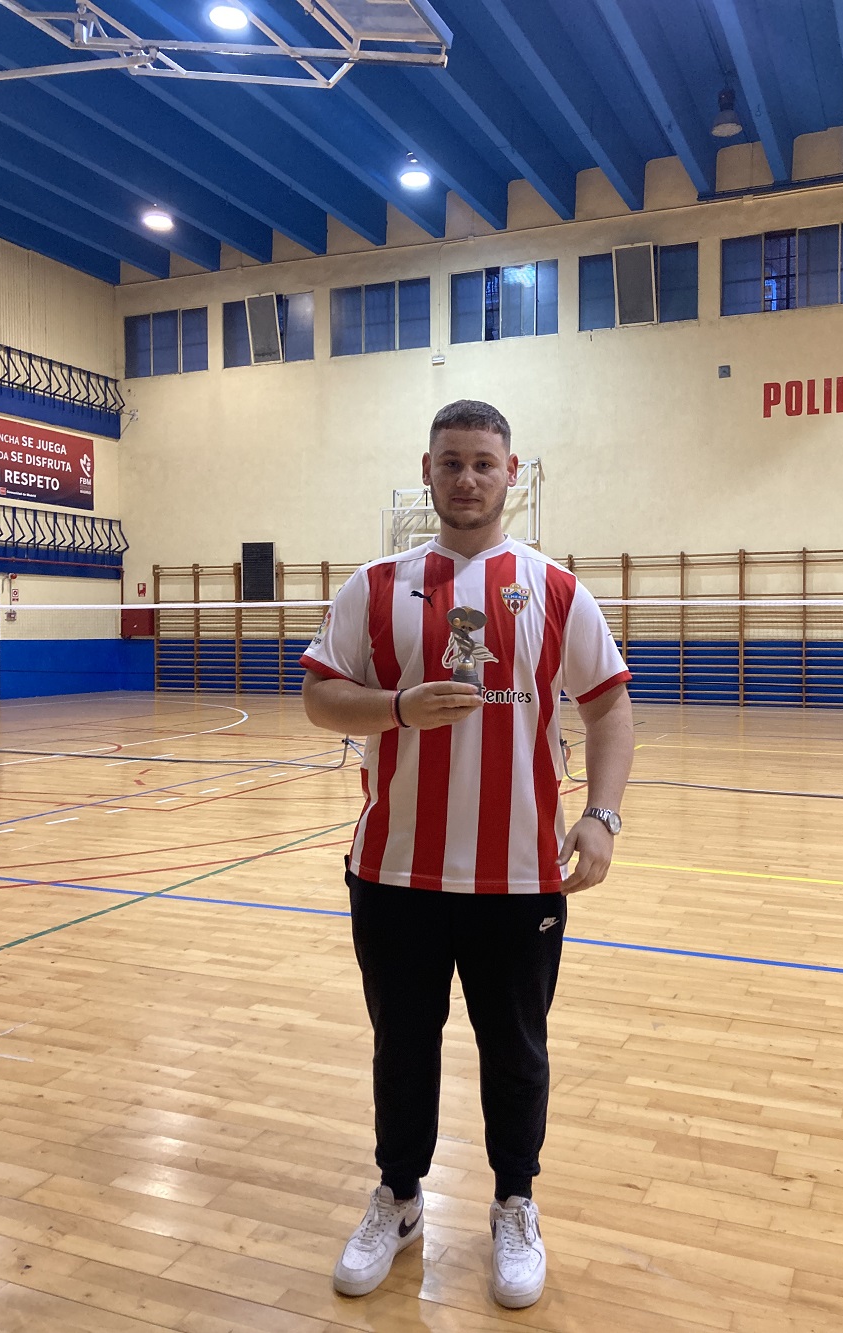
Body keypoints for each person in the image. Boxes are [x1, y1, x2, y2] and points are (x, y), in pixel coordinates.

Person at [301, 399, 633, 1309]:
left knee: (516, 1049)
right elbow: (321, 697)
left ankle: (514, 1202)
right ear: (428, 469)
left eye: (485, 463)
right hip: (394, 871)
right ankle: (400, 1196)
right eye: (451, 462)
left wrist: (602, 814)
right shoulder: (374, 586)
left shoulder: (554, 589)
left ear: (511, 473)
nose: (468, 478)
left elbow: (609, 704)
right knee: (402, 1045)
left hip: (519, 876)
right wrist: (397, 708)